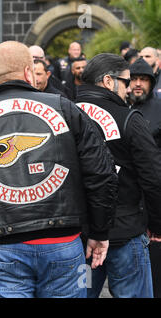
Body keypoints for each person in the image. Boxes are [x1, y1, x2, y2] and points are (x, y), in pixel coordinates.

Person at [0, 41, 118, 298]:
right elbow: (101, 174)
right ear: (29, 72)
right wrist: (99, 231)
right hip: (62, 242)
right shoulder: (65, 109)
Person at [76, 53, 161, 298]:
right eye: (125, 81)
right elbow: (153, 178)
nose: (127, 89)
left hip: (79, 237)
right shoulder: (129, 118)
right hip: (124, 233)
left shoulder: (63, 114)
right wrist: (156, 225)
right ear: (108, 81)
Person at [128, 58, 161, 298]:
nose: (138, 84)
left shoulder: (159, 109)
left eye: (144, 80)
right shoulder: (120, 106)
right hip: (126, 201)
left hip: (153, 197)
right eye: (134, 79)